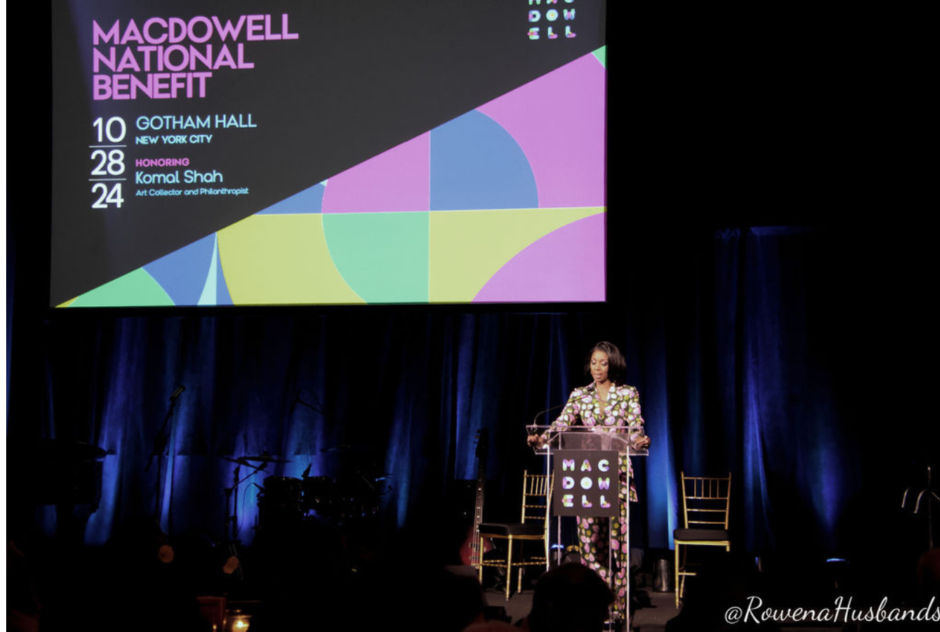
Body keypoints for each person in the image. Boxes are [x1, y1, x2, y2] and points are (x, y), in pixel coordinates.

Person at [527, 341, 650, 620]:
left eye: (602, 363)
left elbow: (634, 427)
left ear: (613, 364)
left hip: (616, 476)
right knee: (591, 547)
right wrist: (543, 438)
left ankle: (618, 607)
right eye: (593, 362)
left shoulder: (628, 394)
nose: (597, 368)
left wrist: (639, 440)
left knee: (617, 547)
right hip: (587, 475)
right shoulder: (579, 395)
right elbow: (562, 423)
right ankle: (594, 608)